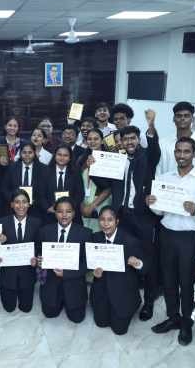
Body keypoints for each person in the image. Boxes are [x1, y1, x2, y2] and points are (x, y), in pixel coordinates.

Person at [89, 117, 161, 321]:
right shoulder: (117, 160)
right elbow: (106, 183)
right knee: (124, 258)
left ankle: (148, 303)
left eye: (133, 138)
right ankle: (127, 296)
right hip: (121, 216)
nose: (129, 142)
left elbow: (154, 150)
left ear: (138, 140)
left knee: (147, 259)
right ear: (120, 141)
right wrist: (94, 167)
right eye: (125, 139)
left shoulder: (147, 157)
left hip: (142, 217)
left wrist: (151, 127)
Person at [147, 137, 195, 346]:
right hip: (166, 233)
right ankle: (173, 317)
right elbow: (159, 212)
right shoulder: (165, 177)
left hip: (188, 236)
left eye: (186, 151)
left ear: (194, 154)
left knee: (186, 281)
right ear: (174, 153)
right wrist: (152, 203)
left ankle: (186, 322)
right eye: (178, 151)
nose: (182, 155)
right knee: (167, 279)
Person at [90, 207, 145, 335]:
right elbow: (90, 262)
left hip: (123, 291)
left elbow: (146, 267)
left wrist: (138, 263)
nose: (106, 223)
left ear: (117, 221)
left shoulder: (131, 241)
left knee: (119, 330)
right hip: (102, 289)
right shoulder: (95, 238)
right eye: (102, 219)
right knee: (101, 323)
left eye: (110, 220)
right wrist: (94, 271)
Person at [37, 197, 91, 322]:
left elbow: (87, 264)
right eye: (60, 211)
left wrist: (66, 273)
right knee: (49, 314)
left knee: (77, 319)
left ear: (74, 213)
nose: (64, 215)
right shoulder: (44, 231)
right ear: (55, 213)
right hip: (51, 284)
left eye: (68, 211)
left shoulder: (85, 233)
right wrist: (39, 260)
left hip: (74, 285)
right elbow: (38, 253)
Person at [0, 189, 41, 312]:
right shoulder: (1, 222)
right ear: (11, 204)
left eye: (24, 202)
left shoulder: (37, 223)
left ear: (29, 204)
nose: (21, 205)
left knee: (26, 308)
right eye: (17, 202)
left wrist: (36, 258)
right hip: (8, 275)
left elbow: (39, 246)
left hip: (27, 274)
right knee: (9, 308)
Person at [157, 101, 195, 177]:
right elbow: (158, 171)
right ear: (174, 119)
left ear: (193, 119)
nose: (182, 118)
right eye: (179, 116)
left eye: (186, 116)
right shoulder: (162, 143)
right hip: (166, 184)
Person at [39, 144, 85, 224]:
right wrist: (48, 208)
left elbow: (80, 194)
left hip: (71, 216)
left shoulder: (76, 172)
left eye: (65, 155)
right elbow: (40, 194)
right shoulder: (45, 172)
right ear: (55, 156)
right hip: (50, 215)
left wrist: (69, 209)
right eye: (59, 154)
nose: (62, 158)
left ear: (70, 158)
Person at [77, 128, 111, 232]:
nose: (92, 141)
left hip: (101, 203)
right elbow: (77, 183)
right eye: (89, 139)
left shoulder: (109, 159)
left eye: (96, 139)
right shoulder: (81, 159)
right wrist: (82, 205)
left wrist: (92, 206)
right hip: (84, 202)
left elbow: (109, 187)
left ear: (102, 141)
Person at [2, 142, 47, 218]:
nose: (27, 155)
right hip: (15, 209)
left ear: (34, 153)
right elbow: (4, 188)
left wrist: (36, 201)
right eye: (24, 152)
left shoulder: (43, 169)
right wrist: (14, 200)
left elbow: (45, 191)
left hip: (37, 209)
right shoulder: (12, 168)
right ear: (20, 153)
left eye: (30, 152)